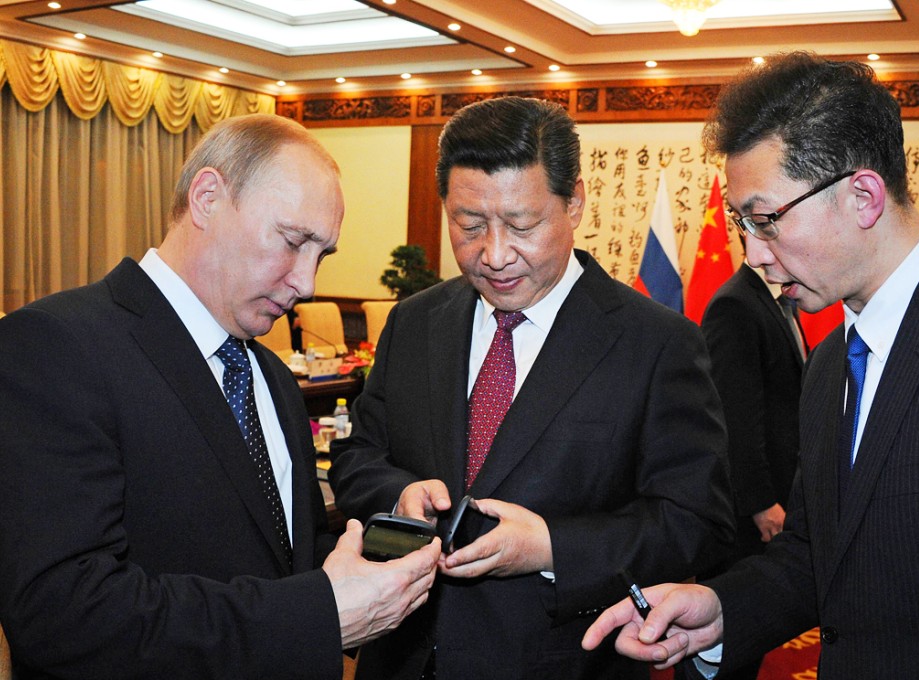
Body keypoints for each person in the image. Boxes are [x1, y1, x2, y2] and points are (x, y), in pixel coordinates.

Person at [583, 51, 919, 679]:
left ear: (862, 195)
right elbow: (818, 555)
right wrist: (719, 608)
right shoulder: (833, 359)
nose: (753, 253)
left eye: (766, 221)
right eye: (742, 224)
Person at [0, 113, 440, 679]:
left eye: (321, 255)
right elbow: (63, 617)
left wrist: (377, 554)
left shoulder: (271, 376)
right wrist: (319, 614)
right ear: (207, 197)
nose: (306, 283)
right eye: (292, 241)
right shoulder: (54, 346)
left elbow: (279, 549)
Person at [328, 95, 734, 680]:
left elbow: (696, 523)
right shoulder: (415, 322)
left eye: (522, 225)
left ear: (575, 203)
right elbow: (358, 455)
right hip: (404, 659)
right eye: (469, 226)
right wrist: (400, 496)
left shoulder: (656, 343)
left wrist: (550, 546)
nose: (494, 255)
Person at [697, 258, 806, 680]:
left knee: (748, 636)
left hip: (773, 494)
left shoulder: (779, 300)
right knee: (723, 643)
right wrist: (761, 504)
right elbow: (733, 419)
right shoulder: (735, 305)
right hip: (744, 512)